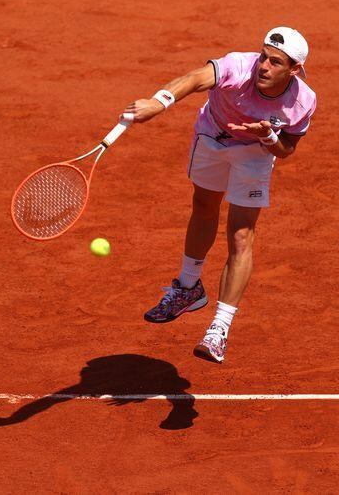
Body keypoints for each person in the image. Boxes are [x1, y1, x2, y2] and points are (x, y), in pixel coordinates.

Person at [125, 27, 316, 363]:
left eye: (275, 62)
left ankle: (219, 327)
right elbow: (195, 78)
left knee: (241, 234)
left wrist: (269, 137)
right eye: (263, 57)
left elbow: (287, 149)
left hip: (255, 154)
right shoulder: (237, 66)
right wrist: (159, 102)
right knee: (203, 205)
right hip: (213, 135)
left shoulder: (303, 101)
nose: (263, 66)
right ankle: (188, 288)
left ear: (294, 70)